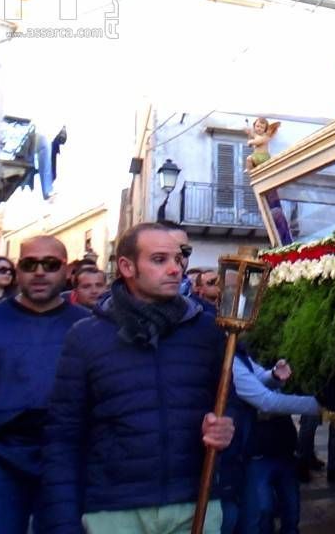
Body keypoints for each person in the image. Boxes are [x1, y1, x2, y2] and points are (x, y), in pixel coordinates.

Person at [40, 222, 235, 533]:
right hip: (114, 510)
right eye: (159, 260)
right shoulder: (85, 337)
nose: (175, 269)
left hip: (195, 503)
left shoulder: (206, 331)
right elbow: (63, 436)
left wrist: (226, 429)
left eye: (178, 258)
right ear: (127, 267)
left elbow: (229, 406)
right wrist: (63, 521)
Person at [0, 237, 90, 533]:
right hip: (0, 455)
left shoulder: (88, 327)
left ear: (66, 271)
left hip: (69, 456)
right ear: (18, 270)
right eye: (29, 263)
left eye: (49, 264)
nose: (39, 272)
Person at [227, 349, 321, 534]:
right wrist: (320, 405)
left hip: (283, 447)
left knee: (290, 511)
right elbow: (266, 401)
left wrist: (273, 375)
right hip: (257, 453)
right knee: (260, 514)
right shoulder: (225, 354)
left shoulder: (238, 351)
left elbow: (258, 376)